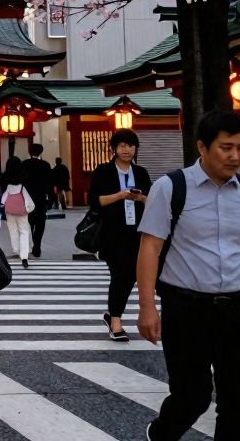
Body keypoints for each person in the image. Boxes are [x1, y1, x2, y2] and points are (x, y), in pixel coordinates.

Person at [136, 111, 240, 440]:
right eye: (226, 147)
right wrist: (147, 305)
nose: (235, 156)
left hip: (238, 310)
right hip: (187, 310)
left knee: (238, 403)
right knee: (193, 395)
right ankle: (161, 433)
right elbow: (150, 248)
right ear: (202, 147)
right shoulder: (169, 187)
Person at [88, 129, 152, 342]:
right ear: (114, 148)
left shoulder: (141, 172)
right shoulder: (104, 171)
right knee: (120, 275)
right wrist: (122, 195)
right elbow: (96, 201)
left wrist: (139, 198)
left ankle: (112, 315)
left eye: (131, 146)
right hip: (112, 234)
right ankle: (115, 321)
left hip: (136, 233)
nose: (127, 150)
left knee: (131, 276)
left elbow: (150, 200)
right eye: (123, 146)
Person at [0, 156, 34, 269]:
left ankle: (15, 250)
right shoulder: (25, 177)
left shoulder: (3, 177)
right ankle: (25, 253)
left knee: (12, 230)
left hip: (9, 209)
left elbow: (0, 193)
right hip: (22, 209)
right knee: (24, 230)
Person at [21, 143, 53, 257]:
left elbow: (21, 182)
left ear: (30, 152)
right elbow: (50, 183)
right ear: (41, 152)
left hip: (27, 198)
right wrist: (51, 199)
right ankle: (37, 244)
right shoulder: (45, 165)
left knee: (29, 222)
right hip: (40, 198)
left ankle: (32, 242)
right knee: (40, 223)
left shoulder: (24, 164)